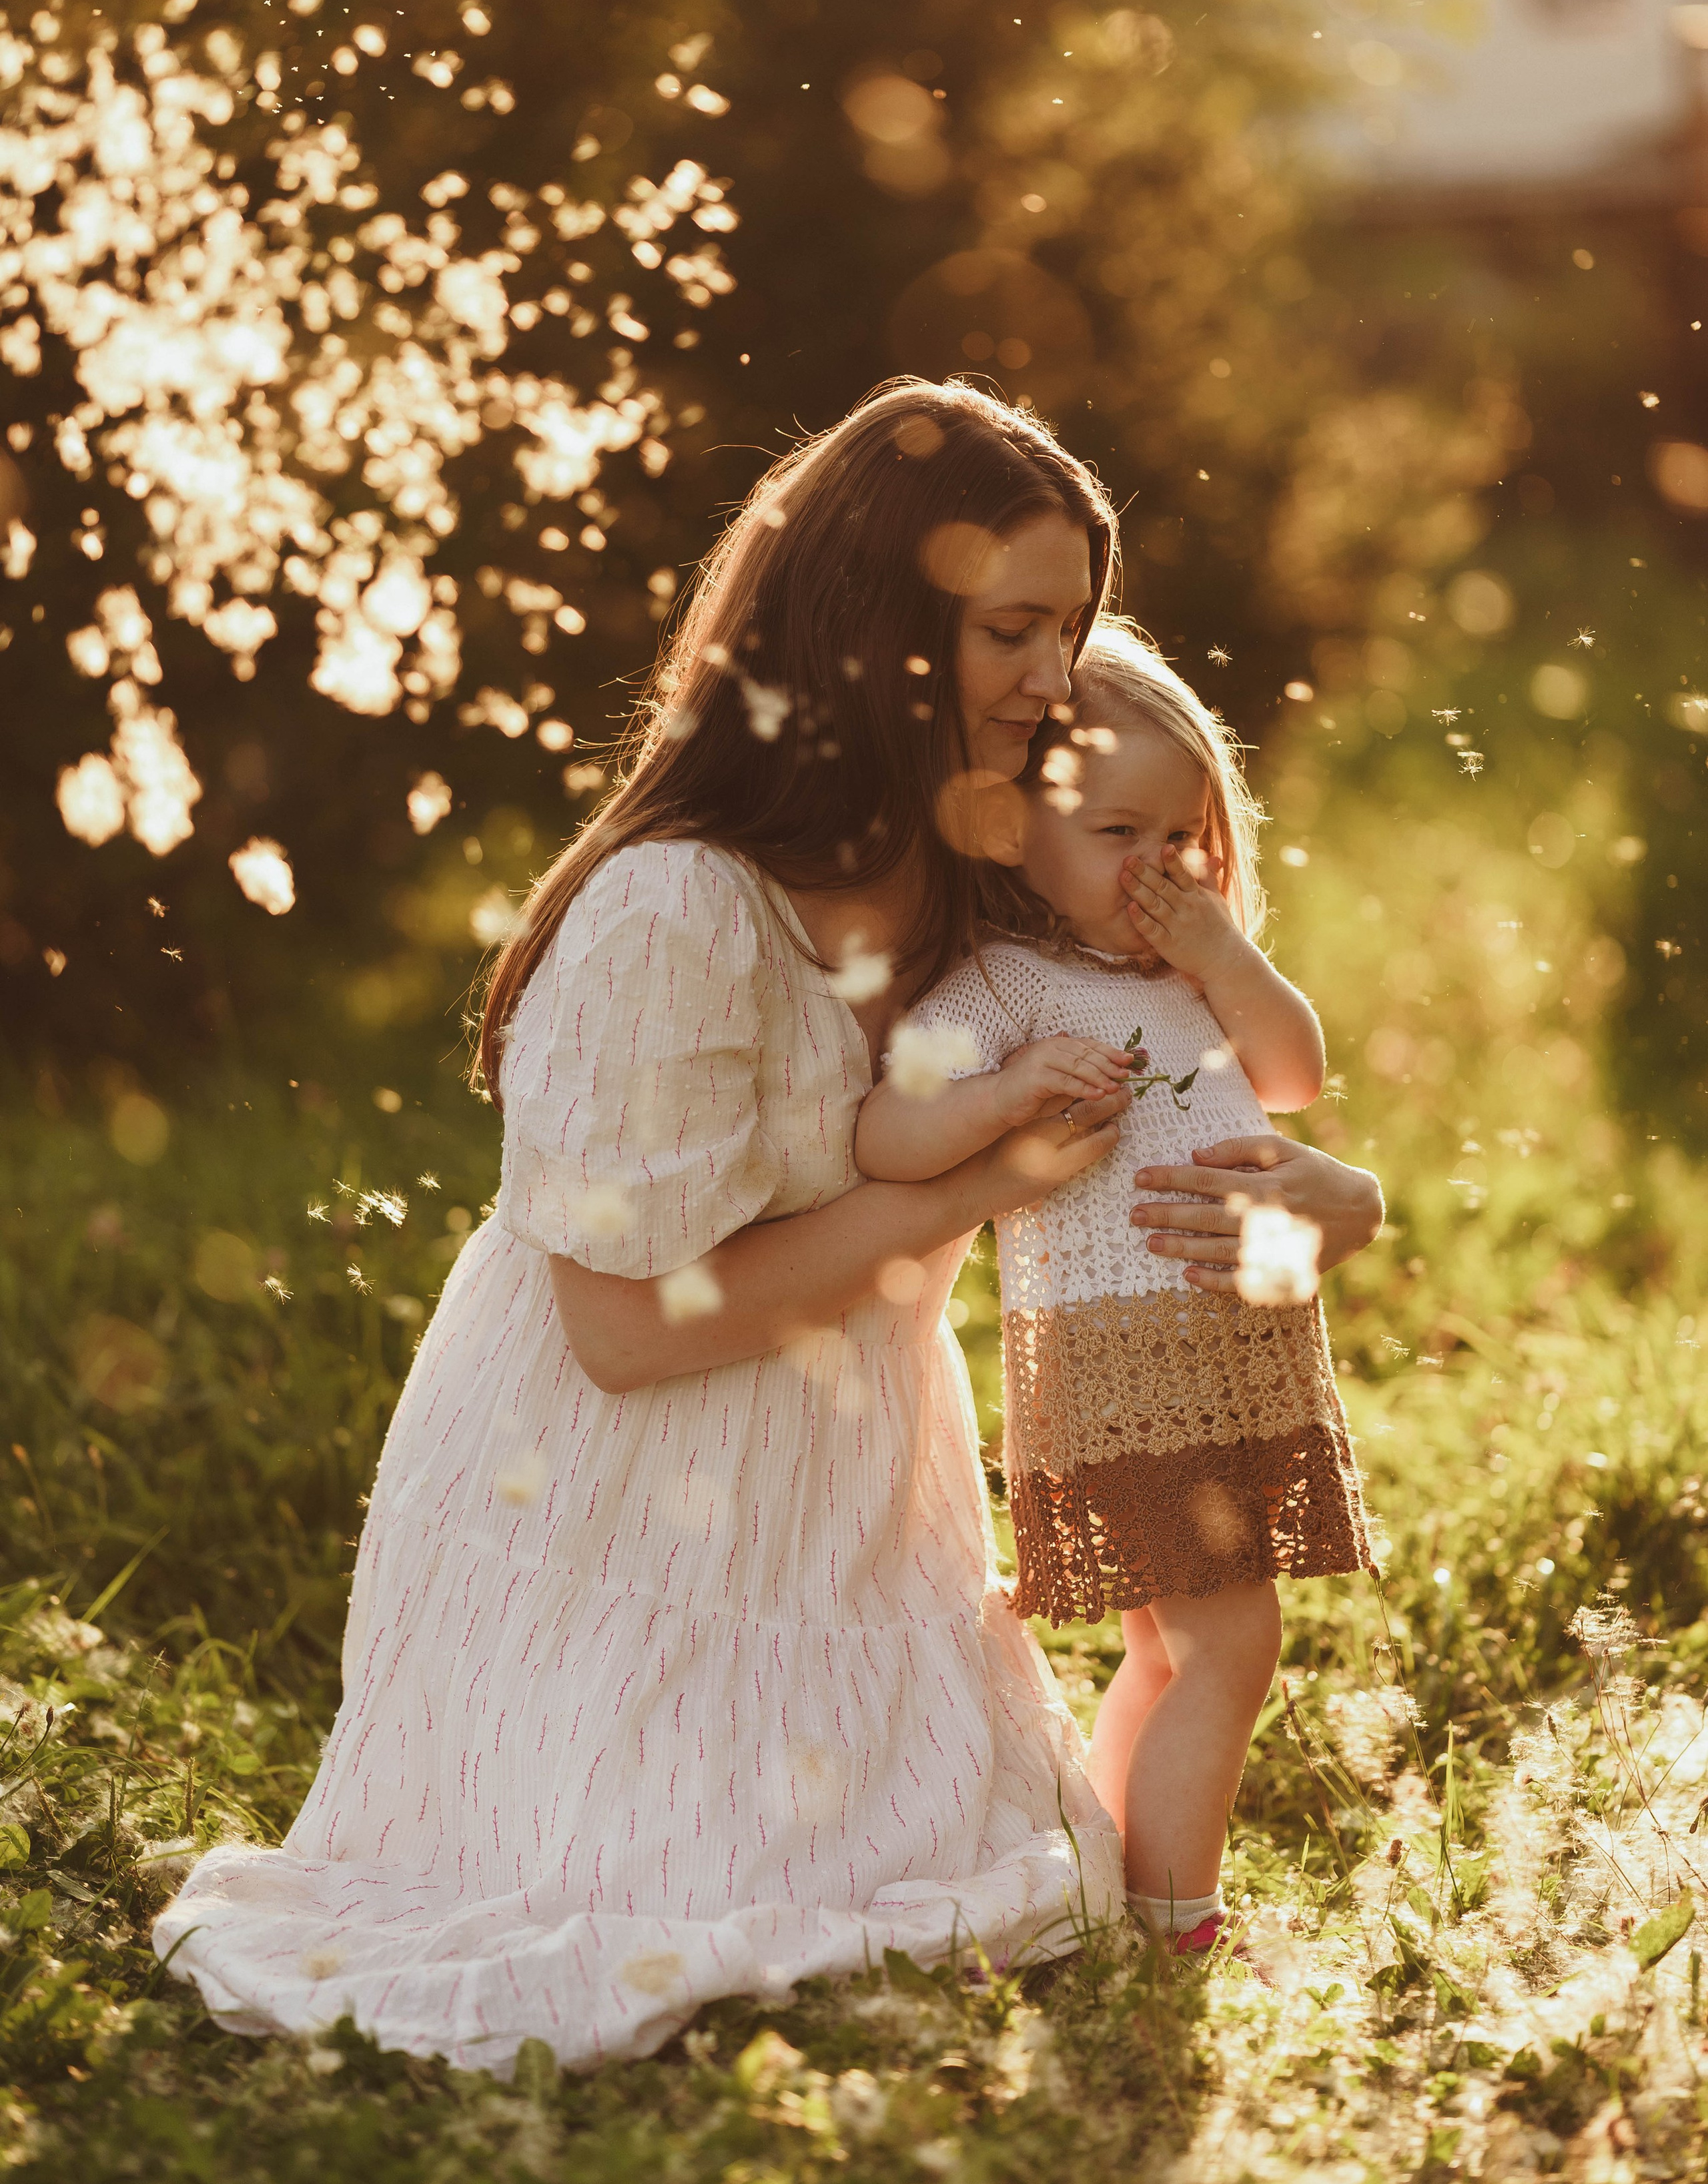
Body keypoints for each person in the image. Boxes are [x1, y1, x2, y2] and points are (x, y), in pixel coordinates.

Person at [154, 380, 1381, 2073]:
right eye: (1012, 629)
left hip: (853, 1472)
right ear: (872, 628)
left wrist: (1336, 1199)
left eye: (1069, 627)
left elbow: (1195, 1073)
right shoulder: (673, 907)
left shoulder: (975, 866)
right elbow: (626, 1332)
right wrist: (972, 1192)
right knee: (678, 1926)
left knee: (966, 1902)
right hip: (612, 1501)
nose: (1051, 678)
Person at [854, 619, 1377, 1954]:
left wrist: (1219, 950)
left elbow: (1297, 1070)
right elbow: (886, 1130)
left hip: (1219, 1356)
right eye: (1115, 834)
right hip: (1122, 1363)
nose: (1156, 867)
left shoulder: (1181, 973)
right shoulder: (1006, 984)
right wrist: (1008, 1091)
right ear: (1008, 835)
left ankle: (1112, 1871)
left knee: (1168, 1651)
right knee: (1229, 1648)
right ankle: (1172, 1918)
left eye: (1182, 838)